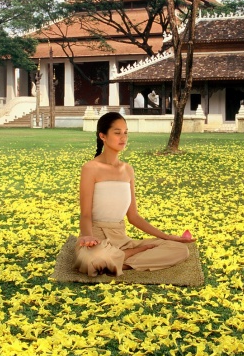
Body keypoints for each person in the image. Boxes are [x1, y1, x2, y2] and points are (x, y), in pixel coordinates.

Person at [74, 111, 194, 276]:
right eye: (117, 133)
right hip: (97, 239)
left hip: (122, 240)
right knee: (92, 259)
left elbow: (134, 217)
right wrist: (87, 237)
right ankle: (125, 258)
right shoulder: (90, 168)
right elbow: (85, 214)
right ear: (103, 136)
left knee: (180, 250)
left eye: (125, 133)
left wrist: (168, 237)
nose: (123, 137)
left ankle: (118, 261)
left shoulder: (127, 170)